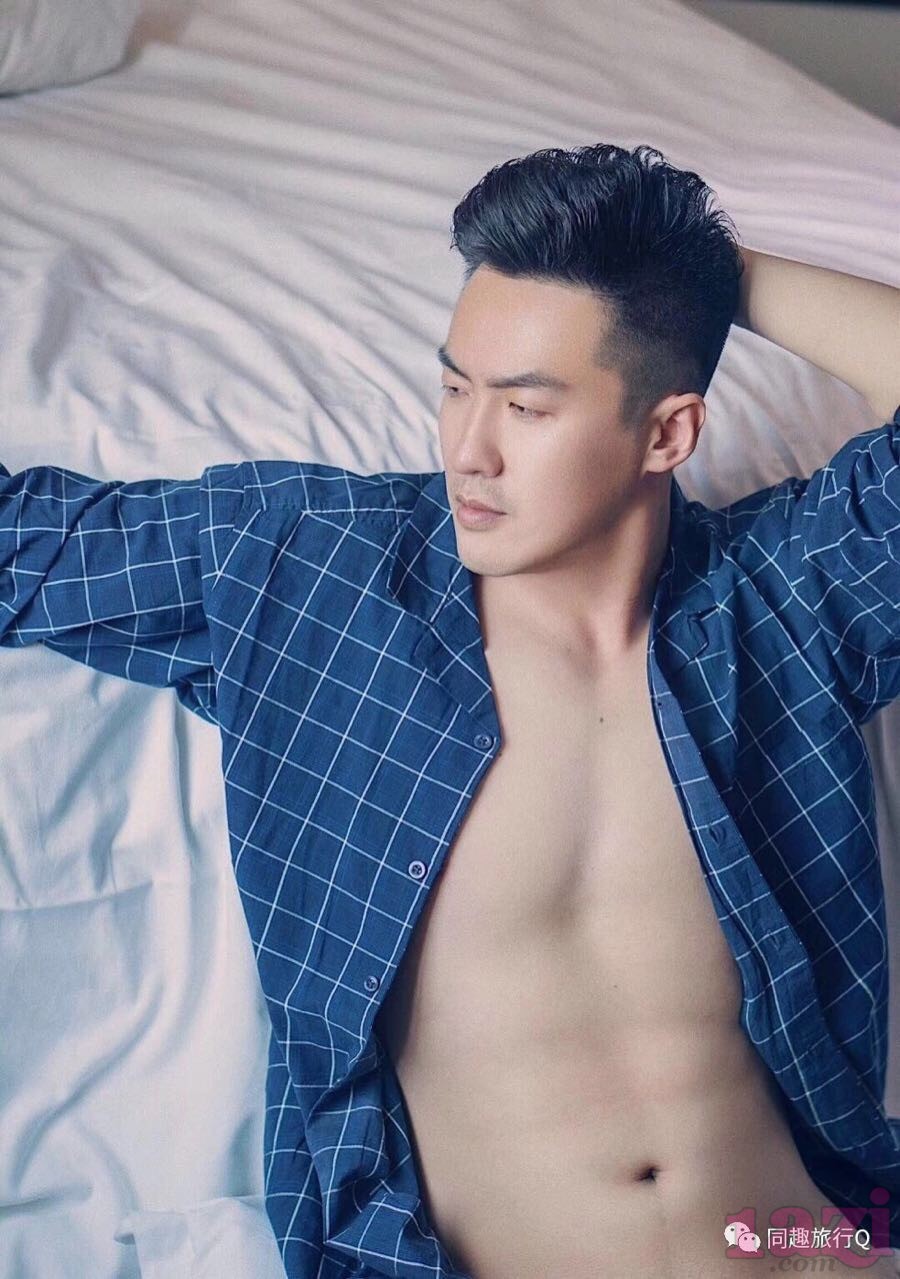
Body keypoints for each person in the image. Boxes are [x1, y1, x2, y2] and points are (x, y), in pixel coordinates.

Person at [1, 143, 898, 1279]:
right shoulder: (315, 572)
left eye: (524, 406)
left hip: (816, 1251)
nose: (468, 451)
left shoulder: (777, 601)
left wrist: (708, 273)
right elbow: (24, 547)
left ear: (668, 434)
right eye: (454, 387)